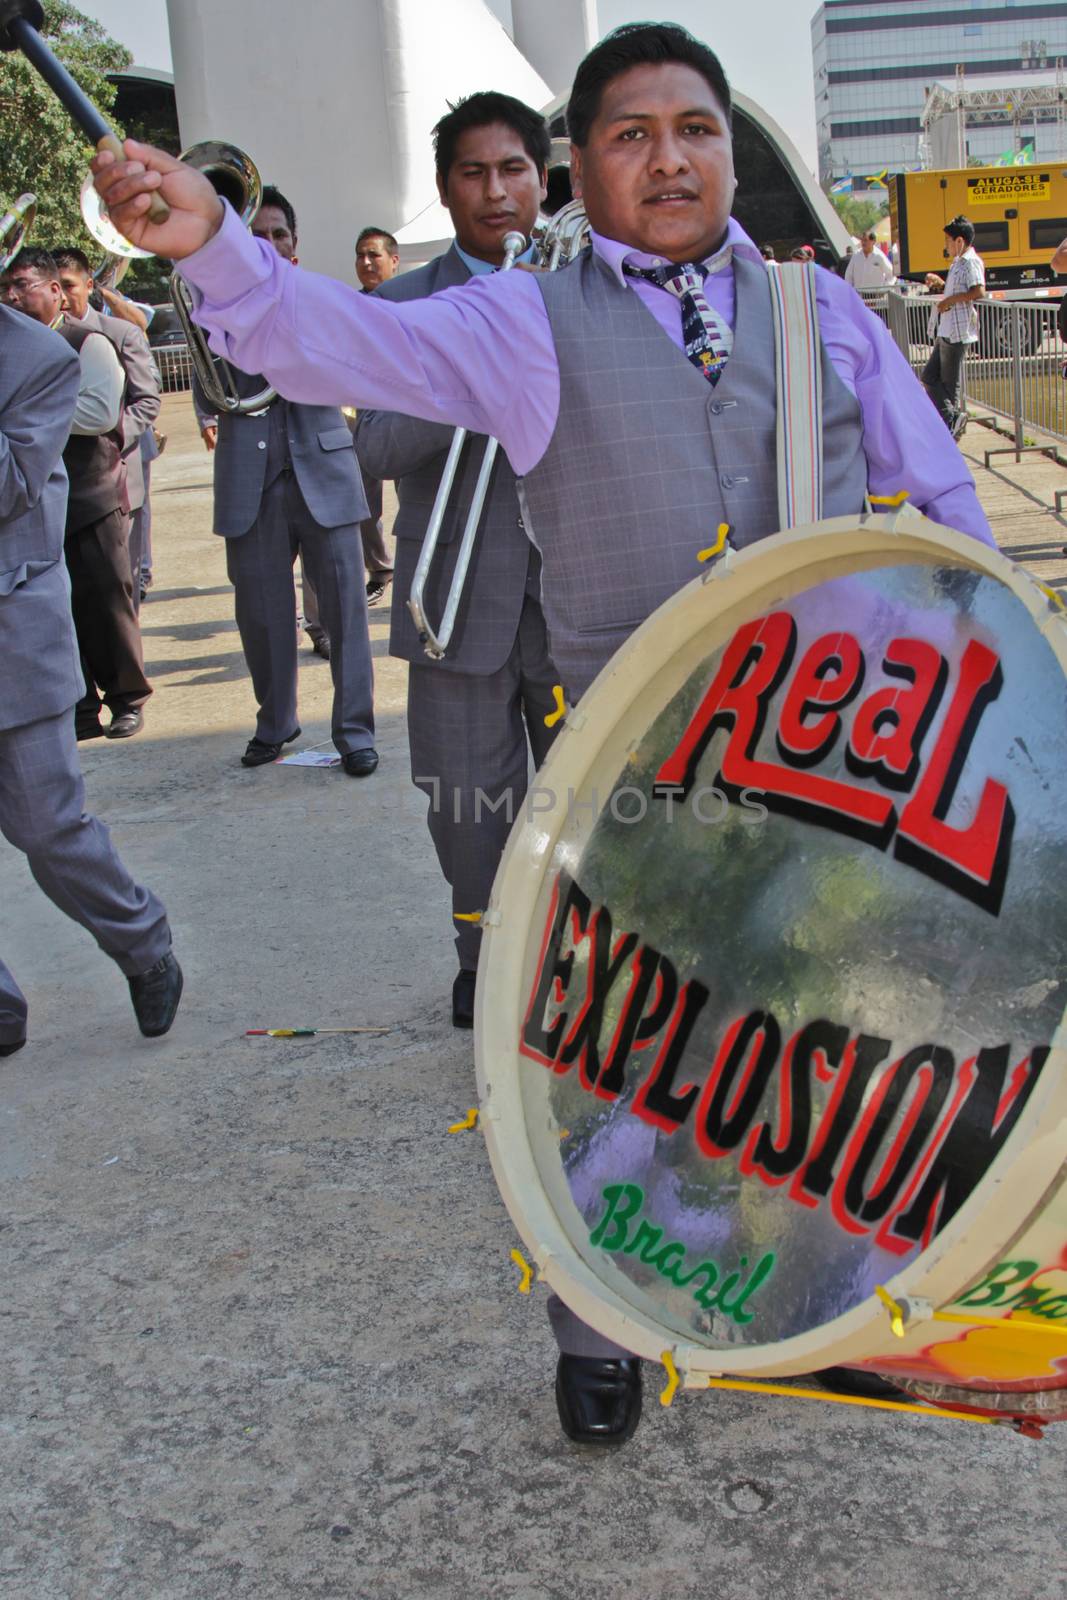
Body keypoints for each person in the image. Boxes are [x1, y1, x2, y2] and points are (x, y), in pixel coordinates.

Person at [94, 19, 995, 1447]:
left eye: (693, 128)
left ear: (728, 151)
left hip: (825, 781)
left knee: (813, 1049)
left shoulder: (822, 313)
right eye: (630, 134)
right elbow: (339, 342)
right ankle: (594, 1326)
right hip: (623, 789)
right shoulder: (525, 320)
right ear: (580, 167)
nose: (670, 157)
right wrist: (213, 247)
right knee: (601, 1071)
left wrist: (989, 703)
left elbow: (946, 516)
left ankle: (799, 1289)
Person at [356, 92, 559, 1030]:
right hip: (453, 599)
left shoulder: (587, 288)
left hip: (576, 596)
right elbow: (373, 448)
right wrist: (476, 367)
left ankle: (586, 960)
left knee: (599, 796)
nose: (496, 191)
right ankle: (482, 954)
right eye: (472, 173)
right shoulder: (398, 306)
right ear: (444, 192)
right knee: (466, 805)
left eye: (512, 168)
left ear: (543, 178)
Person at [0, 302, 182, 1054]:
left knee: (49, 827)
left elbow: (11, 487)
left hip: (13, 630)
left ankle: (143, 946)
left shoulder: (38, 357)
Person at [190, 185, 378, 775]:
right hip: (250, 474)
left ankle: (355, 732)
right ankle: (275, 722)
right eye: (256, 237)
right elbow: (208, 392)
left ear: (294, 248)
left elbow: (345, 372)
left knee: (346, 612)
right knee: (262, 616)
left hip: (322, 465)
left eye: (277, 235)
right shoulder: (212, 309)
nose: (267, 244)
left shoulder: (319, 300)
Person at [1, 246, 152, 741]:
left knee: (108, 603)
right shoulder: (11, 350)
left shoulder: (88, 343)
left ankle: (127, 698)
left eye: (23, 285)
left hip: (92, 497)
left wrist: (30, 418)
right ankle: (81, 708)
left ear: (55, 292)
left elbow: (102, 414)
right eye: (6, 288)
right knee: (59, 614)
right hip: (38, 507)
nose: (13, 296)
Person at [53, 248, 162, 629]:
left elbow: (147, 400)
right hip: (64, 481)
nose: (64, 297)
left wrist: (111, 437)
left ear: (88, 284)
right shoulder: (43, 337)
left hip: (117, 474)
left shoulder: (120, 332)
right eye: (57, 287)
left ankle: (128, 672)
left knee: (120, 585)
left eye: (70, 286)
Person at [353, 227, 401, 604]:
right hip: (362, 416)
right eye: (361, 255)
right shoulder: (349, 308)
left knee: (418, 497)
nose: (367, 263)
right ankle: (380, 567)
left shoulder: (413, 302)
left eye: (375, 255)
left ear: (394, 261)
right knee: (365, 502)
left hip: (407, 415)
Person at [922, 215, 985, 441]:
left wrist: (949, 301)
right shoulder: (959, 262)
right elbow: (960, 289)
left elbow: (978, 291)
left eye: (948, 240)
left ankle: (953, 423)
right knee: (929, 376)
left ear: (959, 241)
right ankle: (952, 419)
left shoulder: (970, 261)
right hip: (947, 330)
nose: (946, 245)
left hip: (958, 331)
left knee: (948, 384)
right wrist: (941, 285)